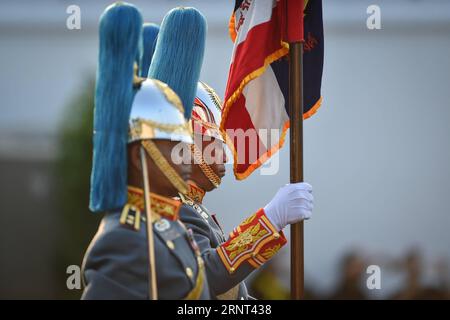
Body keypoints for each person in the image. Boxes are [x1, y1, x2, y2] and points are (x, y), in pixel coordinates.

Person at [81, 3, 209, 300]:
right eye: (175, 146)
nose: (187, 156)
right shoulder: (123, 239)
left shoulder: (167, 224)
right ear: (139, 157)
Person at [177, 82, 315, 299]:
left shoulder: (193, 208)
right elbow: (209, 277)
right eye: (215, 144)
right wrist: (270, 220)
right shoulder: (177, 209)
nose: (224, 156)